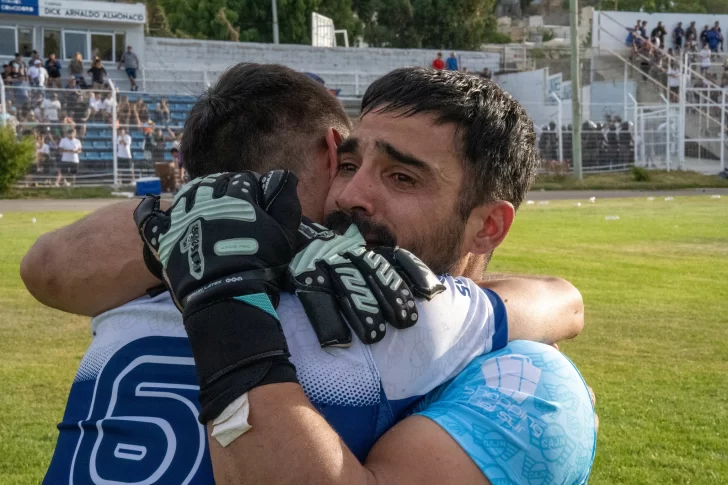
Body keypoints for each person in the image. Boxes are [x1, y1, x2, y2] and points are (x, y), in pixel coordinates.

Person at [24, 65, 592, 484]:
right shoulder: (225, 267)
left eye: (401, 178)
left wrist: (223, 285)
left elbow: (561, 302)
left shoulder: (528, 385)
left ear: (488, 225)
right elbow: (48, 264)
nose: (350, 194)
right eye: (348, 164)